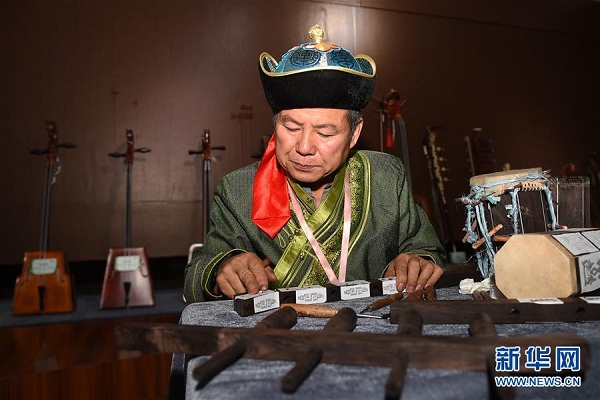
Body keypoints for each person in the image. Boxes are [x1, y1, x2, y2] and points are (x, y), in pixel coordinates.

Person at [184, 25, 445, 302]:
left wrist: (417, 261)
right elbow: (196, 274)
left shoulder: (386, 177)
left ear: (355, 133)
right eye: (291, 128)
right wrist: (222, 268)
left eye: (325, 133)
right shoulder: (238, 190)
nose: (304, 147)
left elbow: (426, 248)